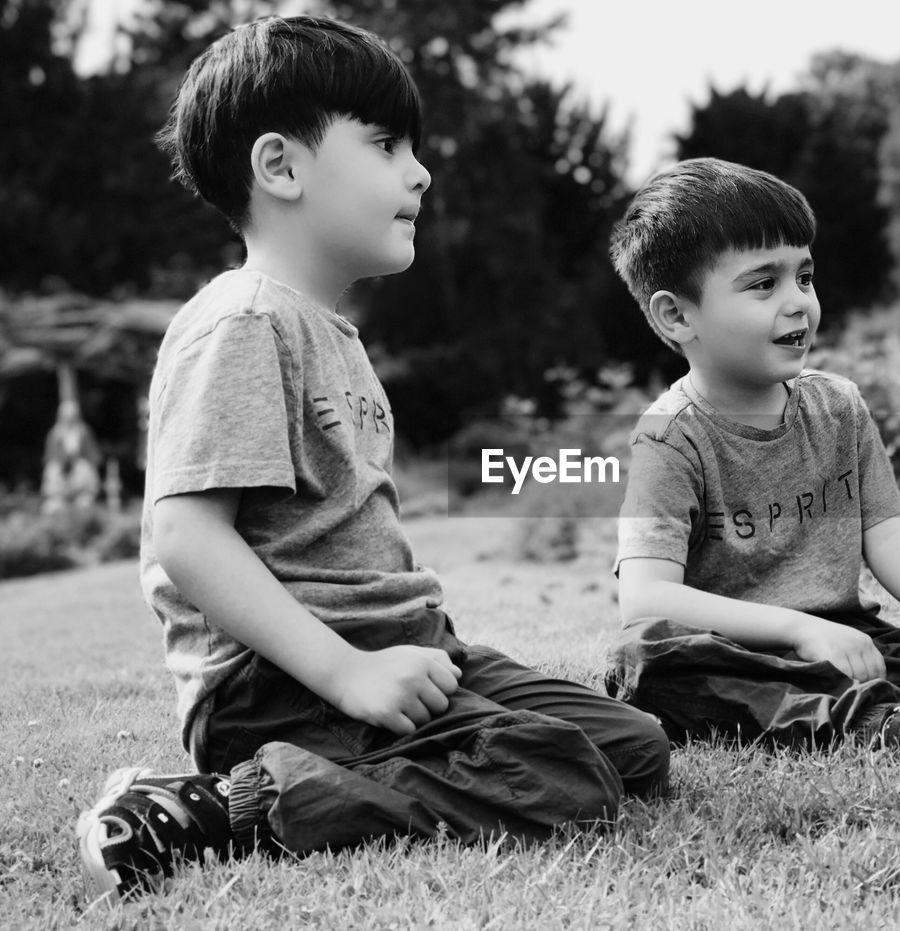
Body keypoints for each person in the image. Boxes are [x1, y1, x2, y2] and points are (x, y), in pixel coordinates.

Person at [75, 15, 669, 904]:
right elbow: (186, 538)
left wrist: (403, 652)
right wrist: (346, 670)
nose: (420, 170)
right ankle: (215, 807)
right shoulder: (244, 321)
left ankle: (401, 739)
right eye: (387, 144)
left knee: (632, 747)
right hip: (282, 683)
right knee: (561, 777)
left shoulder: (335, 334)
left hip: (407, 644)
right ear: (281, 168)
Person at [604, 157, 900, 758]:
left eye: (803, 276)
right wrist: (799, 630)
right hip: (741, 657)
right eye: (762, 283)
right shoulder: (670, 439)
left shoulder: (839, 406)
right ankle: (885, 727)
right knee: (647, 666)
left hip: (847, 638)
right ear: (676, 315)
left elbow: (888, 533)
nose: (798, 302)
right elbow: (646, 599)